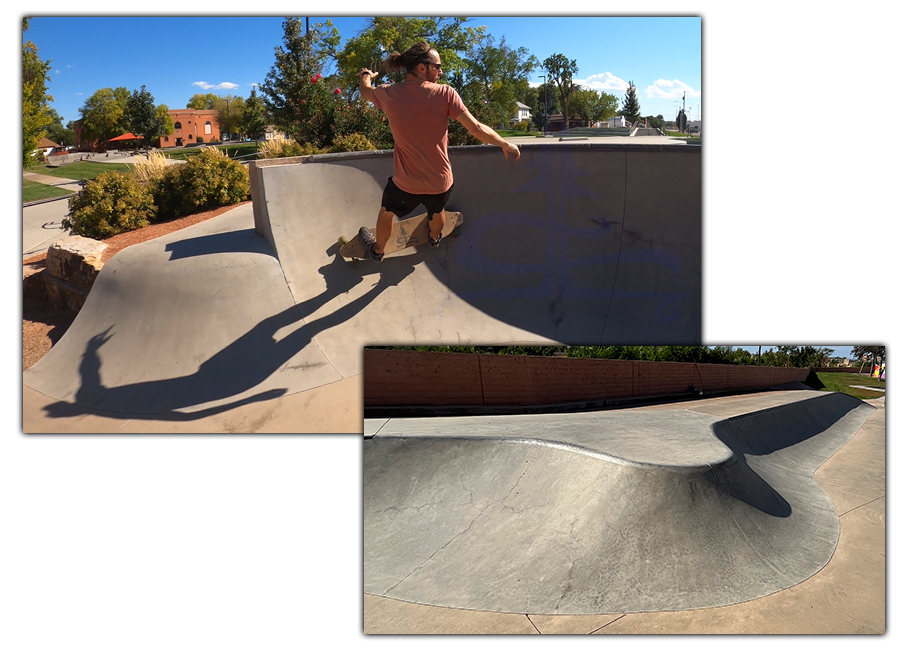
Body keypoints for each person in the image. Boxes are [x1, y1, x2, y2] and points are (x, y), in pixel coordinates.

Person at [357, 40, 521, 261]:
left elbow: (365, 91)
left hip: (406, 183)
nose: (441, 72)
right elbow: (476, 128)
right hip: (440, 182)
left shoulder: (389, 94)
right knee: (436, 211)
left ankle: (377, 250)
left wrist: (366, 75)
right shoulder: (446, 94)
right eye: (437, 67)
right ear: (421, 68)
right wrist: (503, 143)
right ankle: (434, 238)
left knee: (387, 211)